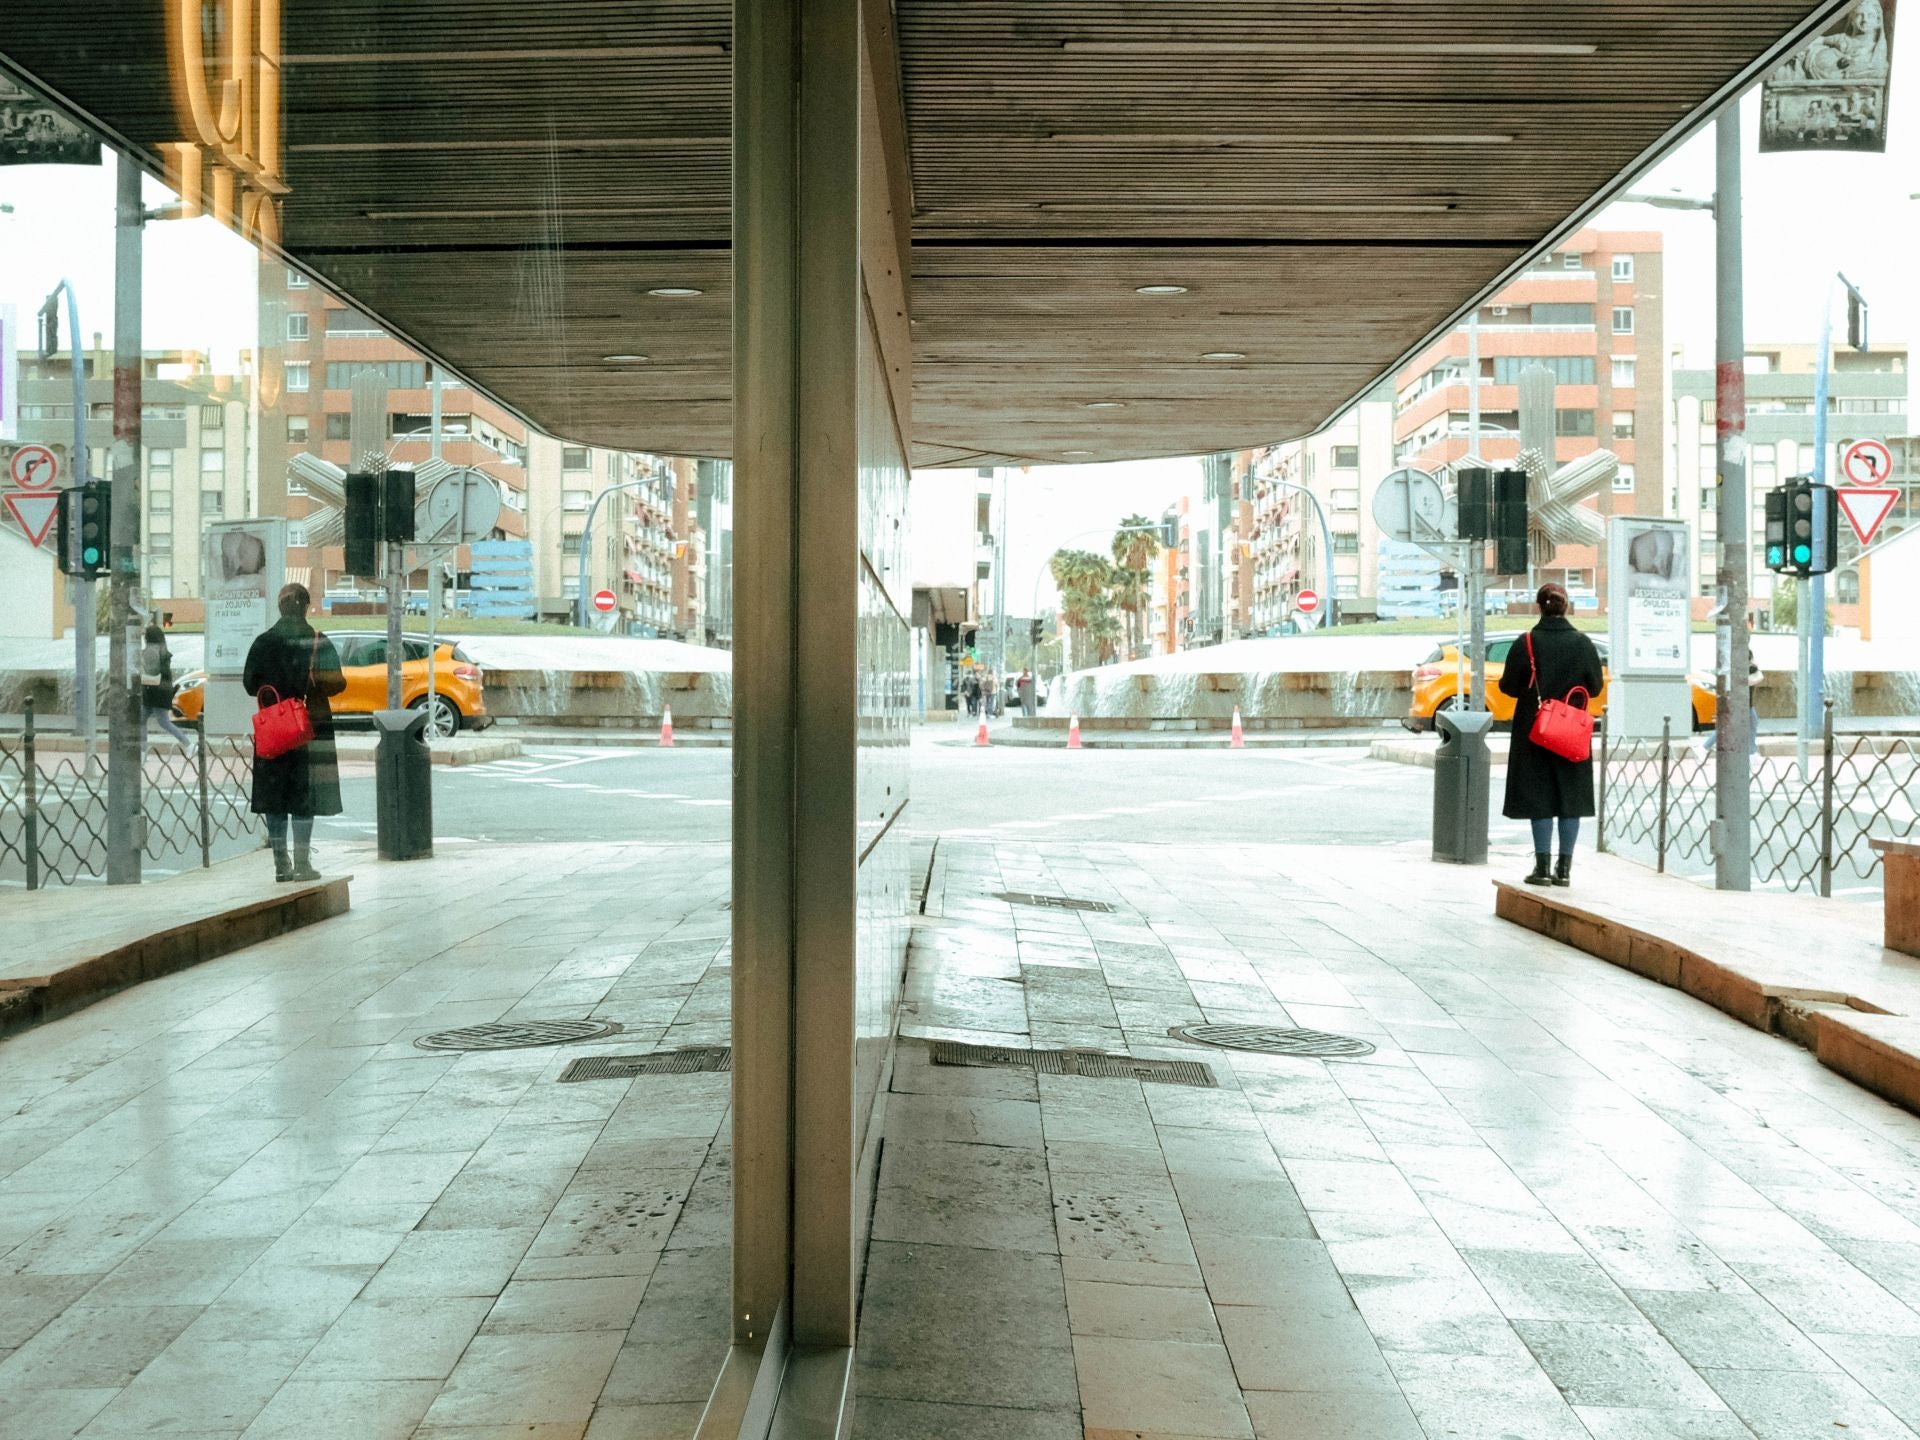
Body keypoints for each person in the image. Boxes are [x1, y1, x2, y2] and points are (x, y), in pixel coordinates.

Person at [1499, 582, 1603, 888]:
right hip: (1571, 730)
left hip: (1534, 729)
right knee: (1570, 797)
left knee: (1538, 796)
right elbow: (1594, 687)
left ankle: (1542, 868)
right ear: (1566, 606)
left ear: (1538, 607)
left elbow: (1508, 686)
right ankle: (1565, 869)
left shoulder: (1526, 641)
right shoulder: (1583, 643)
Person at [243, 583, 346, 882]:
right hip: (310, 729)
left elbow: (250, 685)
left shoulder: (263, 642)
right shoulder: (316, 640)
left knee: (275, 796)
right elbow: (337, 683)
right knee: (304, 795)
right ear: (305, 606)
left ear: (279, 607)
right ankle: (302, 863)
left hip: (274, 730)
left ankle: (280, 864)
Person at [139, 624, 196, 756]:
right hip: (159, 692)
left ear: (148, 637)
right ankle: (142, 752)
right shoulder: (162, 650)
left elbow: (152, 673)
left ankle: (189, 744)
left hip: (155, 693)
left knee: (163, 721)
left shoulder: (152, 651)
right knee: (142, 720)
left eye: (145, 635)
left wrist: (140, 673)